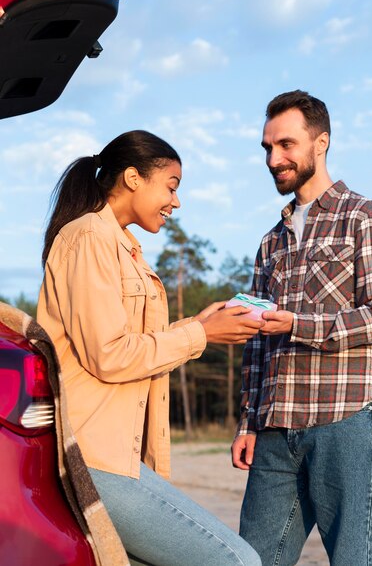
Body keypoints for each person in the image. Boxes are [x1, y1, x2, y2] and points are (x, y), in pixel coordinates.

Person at [37, 130, 262, 566]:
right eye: (172, 187)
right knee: (237, 561)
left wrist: (199, 323)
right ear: (134, 178)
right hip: (93, 456)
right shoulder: (89, 238)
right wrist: (203, 335)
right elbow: (110, 354)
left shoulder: (124, 248)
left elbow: (127, 340)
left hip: (116, 454)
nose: (176, 202)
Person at [231, 90, 372, 566]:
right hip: (274, 428)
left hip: (345, 418)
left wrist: (300, 325)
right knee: (250, 560)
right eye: (267, 147)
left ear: (321, 142)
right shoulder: (271, 241)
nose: (274, 158)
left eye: (286, 144)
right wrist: (248, 421)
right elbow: (256, 344)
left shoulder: (363, 216)